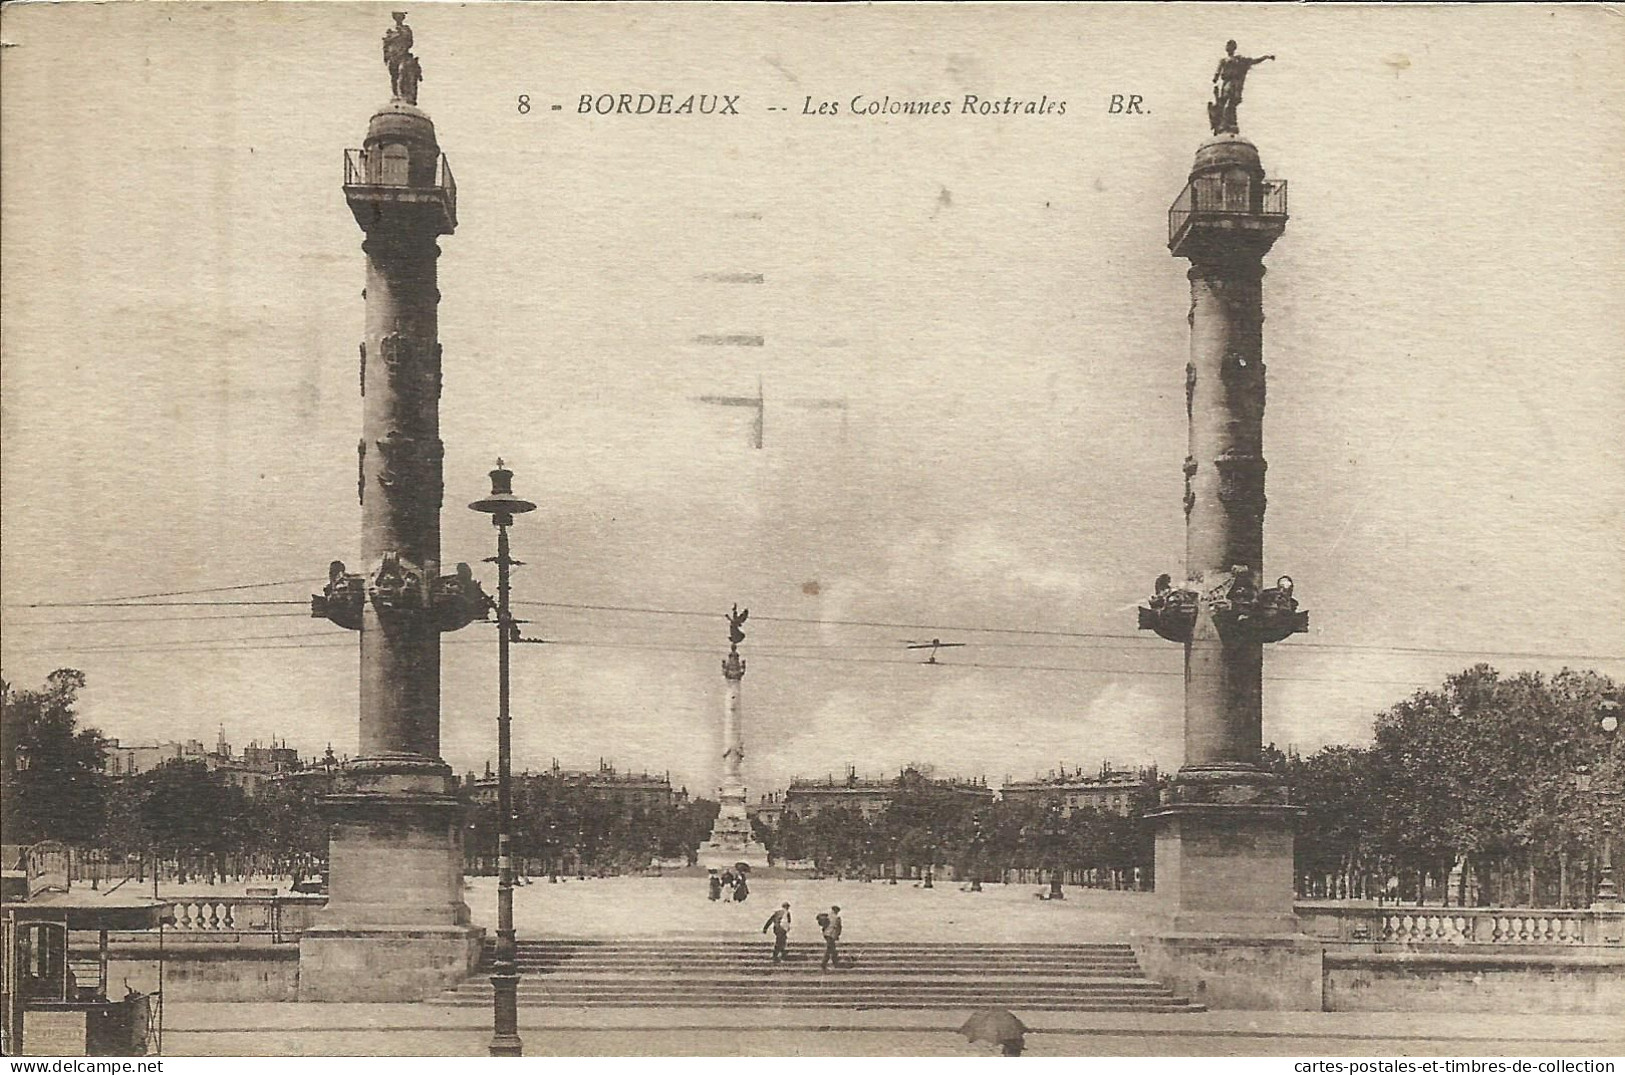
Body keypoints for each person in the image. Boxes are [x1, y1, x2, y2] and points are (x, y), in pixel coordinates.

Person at [821, 905, 843, 970]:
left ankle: (835, 963)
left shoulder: (828, 916)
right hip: (831, 935)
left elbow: (824, 926)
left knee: (832, 950)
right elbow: (839, 928)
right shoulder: (837, 918)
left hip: (826, 935)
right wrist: (837, 935)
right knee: (829, 950)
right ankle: (824, 964)